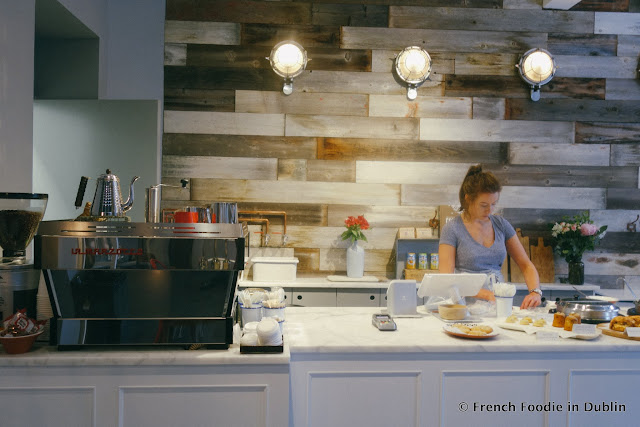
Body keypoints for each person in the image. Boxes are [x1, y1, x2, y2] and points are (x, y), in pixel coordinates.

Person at [438, 164, 542, 309]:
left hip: (497, 301)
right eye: (483, 205)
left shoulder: (501, 225)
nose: (490, 210)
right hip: (463, 304)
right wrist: (486, 294)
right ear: (468, 199)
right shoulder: (452, 228)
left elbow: (526, 265)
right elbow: (447, 279)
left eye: (494, 204)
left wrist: (535, 292)